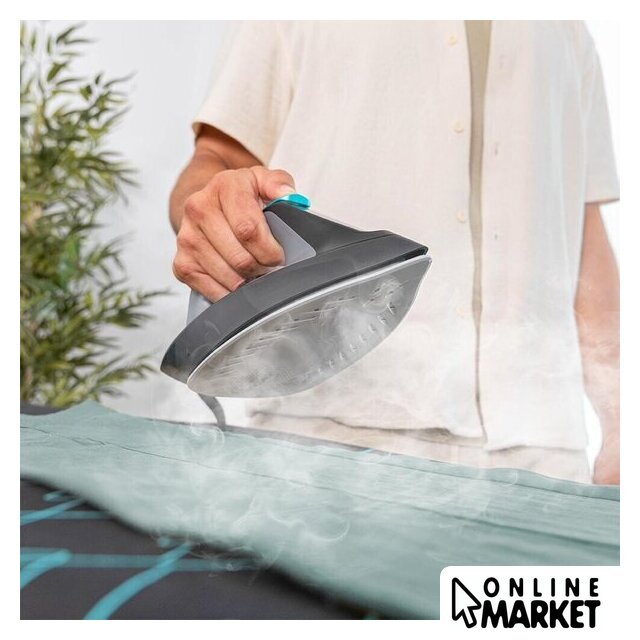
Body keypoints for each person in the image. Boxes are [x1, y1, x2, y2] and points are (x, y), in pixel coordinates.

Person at [169, 21, 619, 484]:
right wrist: (215, 213)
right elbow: (219, 160)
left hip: (541, 443)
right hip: (335, 429)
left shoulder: (567, 29)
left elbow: (581, 231)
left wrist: (621, 422)